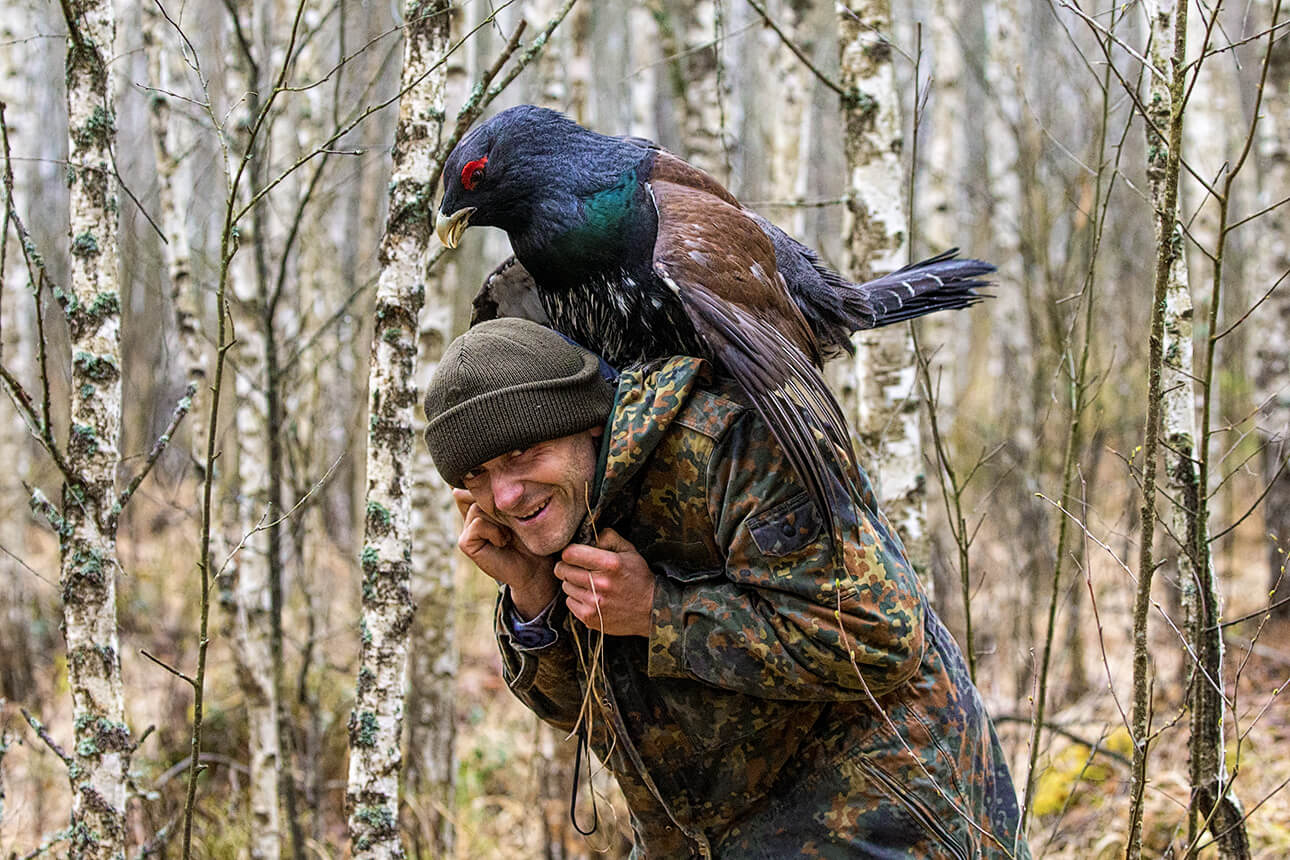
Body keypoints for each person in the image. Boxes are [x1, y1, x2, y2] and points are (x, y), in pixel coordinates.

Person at [423, 317, 1029, 859]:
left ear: (583, 422)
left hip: (885, 815)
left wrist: (659, 611)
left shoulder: (731, 446)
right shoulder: (556, 517)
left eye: (524, 453)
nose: (505, 495)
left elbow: (879, 637)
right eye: (478, 474)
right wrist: (536, 600)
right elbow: (605, 722)